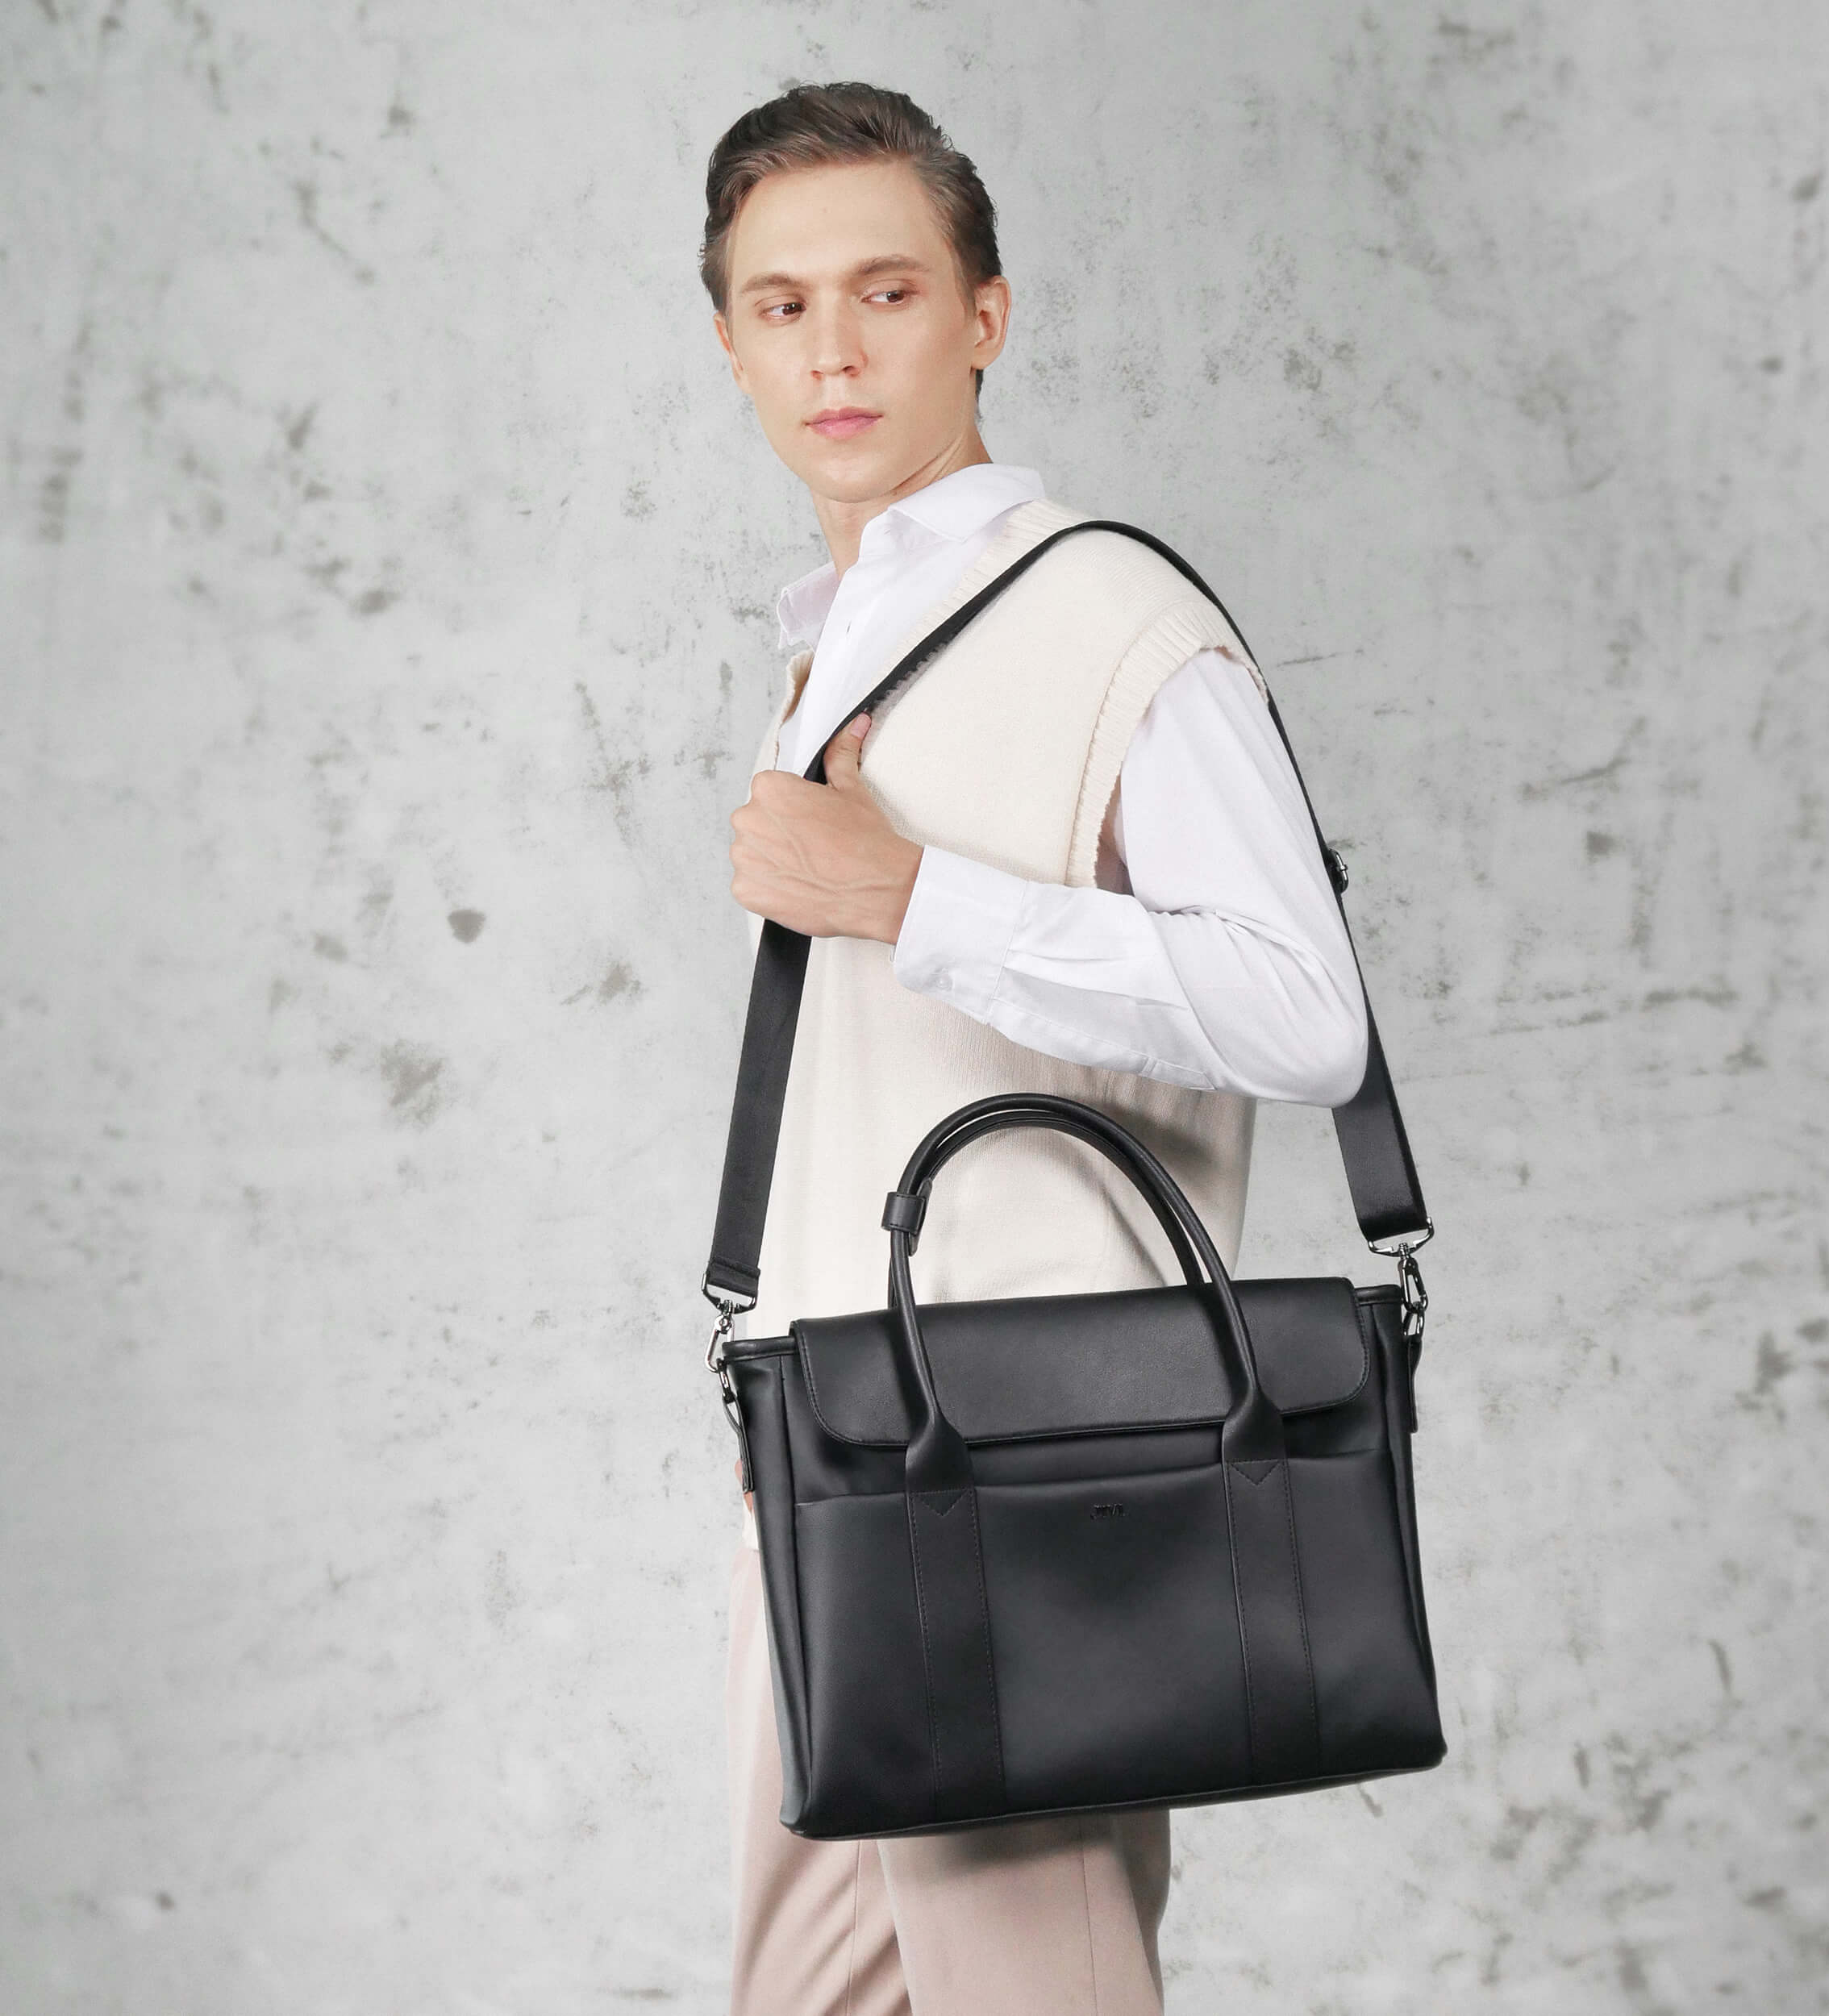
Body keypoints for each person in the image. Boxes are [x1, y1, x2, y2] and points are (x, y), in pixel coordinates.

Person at [702, 81, 1370, 2016]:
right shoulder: (837, 632)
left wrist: (913, 895)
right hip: (829, 1431)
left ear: (982, 315)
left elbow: (1296, 1008)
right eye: (778, 302)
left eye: (886, 290)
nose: (832, 347)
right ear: (730, 341)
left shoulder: (1112, 616)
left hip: (1020, 1448)